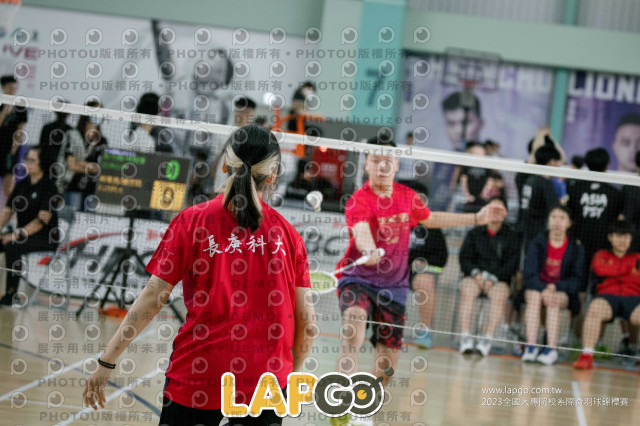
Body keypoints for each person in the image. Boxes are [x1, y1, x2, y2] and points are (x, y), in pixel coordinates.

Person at [82, 126, 315, 425]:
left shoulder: (192, 221)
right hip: (266, 384)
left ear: (224, 165)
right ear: (272, 176)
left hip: (198, 375)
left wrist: (107, 361)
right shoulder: (290, 237)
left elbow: (153, 298)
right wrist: (287, 380)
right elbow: (307, 326)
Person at [333, 136, 505, 426]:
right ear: (366, 165)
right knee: (354, 326)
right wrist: (368, 249)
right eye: (376, 160)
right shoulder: (358, 200)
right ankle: (341, 401)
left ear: (397, 164)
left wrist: (476, 218)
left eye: (388, 160)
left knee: (387, 362)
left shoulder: (406, 196)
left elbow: (431, 219)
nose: (382, 166)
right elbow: (361, 230)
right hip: (358, 279)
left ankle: (364, 405)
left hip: (394, 287)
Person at [521, 205, 584, 365]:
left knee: (553, 300)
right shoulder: (537, 242)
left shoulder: (576, 247)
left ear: (569, 223)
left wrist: (556, 287)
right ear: (548, 220)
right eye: (553, 217)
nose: (557, 221)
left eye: (562, 218)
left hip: (561, 291)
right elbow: (529, 274)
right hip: (537, 288)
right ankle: (531, 347)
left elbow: (577, 280)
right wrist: (543, 289)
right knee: (534, 297)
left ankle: (551, 349)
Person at [574, 220, 640, 369]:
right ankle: (587, 355)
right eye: (619, 236)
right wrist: (628, 271)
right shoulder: (601, 254)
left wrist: (615, 271)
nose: (623, 240)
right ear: (610, 237)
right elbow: (600, 269)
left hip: (634, 299)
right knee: (595, 309)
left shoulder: (637, 257)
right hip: (607, 298)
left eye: (626, 237)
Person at [457, 196, 519, 356]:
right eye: (493, 209)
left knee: (499, 296)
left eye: (500, 209)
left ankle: (487, 339)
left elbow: (512, 264)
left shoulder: (512, 236)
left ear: (505, 213)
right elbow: (464, 258)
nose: (496, 213)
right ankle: (466, 337)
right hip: (474, 278)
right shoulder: (474, 233)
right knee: (468, 291)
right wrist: (476, 274)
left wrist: (493, 278)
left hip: (499, 281)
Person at [0, 147, 59, 306]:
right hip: (22, 235)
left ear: (42, 163)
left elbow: (41, 221)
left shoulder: (49, 187)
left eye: (32, 160)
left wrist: (16, 235)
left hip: (44, 238)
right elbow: (7, 210)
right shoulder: (22, 185)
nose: (27, 163)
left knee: (12, 246)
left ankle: (12, 294)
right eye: (27, 159)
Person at [397, 179, 448, 350]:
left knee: (426, 281)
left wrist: (423, 264)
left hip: (418, 272)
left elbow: (442, 256)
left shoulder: (431, 225)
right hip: (394, 270)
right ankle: (385, 325)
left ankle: (425, 331)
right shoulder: (392, 220)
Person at [59, 102, 108, 211]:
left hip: (93, 192)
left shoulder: (102, 141)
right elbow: (72, 165)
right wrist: (93, 167)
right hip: (73, 188)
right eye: (95, 112)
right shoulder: (72, 135)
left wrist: (79, 163)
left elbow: (102, 168)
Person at [518, 144, 562, 250]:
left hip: (523, 228)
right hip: (537, 233)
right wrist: (563, 201)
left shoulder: (530, 179)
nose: (558, 166)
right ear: (551, 162)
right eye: (556, 162)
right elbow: (555, 208)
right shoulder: (546, 183)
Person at [0, 75, 28, 200]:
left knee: (9, 178)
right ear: (3, 87)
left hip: (11, 148)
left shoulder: (20, 106)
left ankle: (8, 206)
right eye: (10, 88)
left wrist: (13, 149)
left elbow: (20, 130)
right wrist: (4, 110)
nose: (13, 91)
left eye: (15, 88)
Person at [38, 106, 71, 178]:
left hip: (60, 168)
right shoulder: (47, 127)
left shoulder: (70, 130)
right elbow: (41, 147)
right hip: (46, 165)